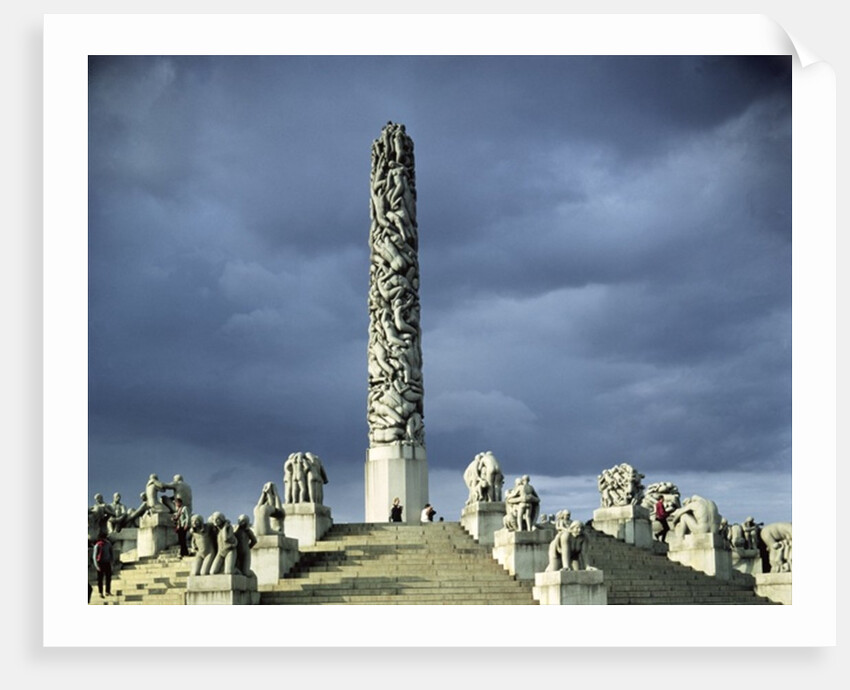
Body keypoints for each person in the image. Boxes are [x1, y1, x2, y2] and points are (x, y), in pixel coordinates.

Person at [92, 533, 114, 598]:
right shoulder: (97, 545)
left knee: (108, 578)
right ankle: (100, 592)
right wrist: (96, 566)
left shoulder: (108, 544)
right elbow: (94, 556)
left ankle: (108, 591)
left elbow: (111, 554)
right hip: (100, 563)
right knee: (100, 579)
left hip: (107, 563)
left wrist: (112, 563)